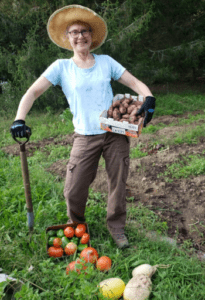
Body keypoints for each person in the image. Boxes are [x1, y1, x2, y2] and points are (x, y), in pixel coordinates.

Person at [10, 5, 155, 249]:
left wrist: (148, 98)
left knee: (118, 183)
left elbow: (133, 82)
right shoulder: (61, 67)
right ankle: (77, 225)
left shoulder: (106, 62)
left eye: (85, 31)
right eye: (74, 32)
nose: (80, 36)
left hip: (114, 132)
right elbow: (33, 92)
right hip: (85, 136)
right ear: (68, 37)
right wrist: (19, 119)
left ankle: (117, 227)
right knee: (74, 188)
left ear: (91, 35)